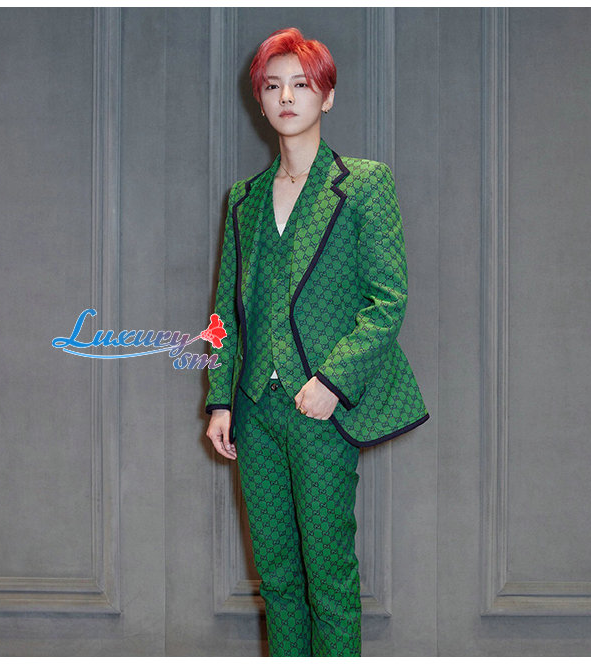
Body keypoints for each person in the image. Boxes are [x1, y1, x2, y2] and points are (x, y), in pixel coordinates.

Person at [205, 27, 429, 657]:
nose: (286, 97)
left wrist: (332, 382)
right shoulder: (244, 200)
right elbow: (224, 313)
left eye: (301, 84)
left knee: (327, 577)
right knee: (277, 579)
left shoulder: (364, 184)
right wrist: (219, 399)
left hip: (319, 409)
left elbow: (388, 300)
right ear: (259, 99)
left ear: (326, 96)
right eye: (273, 86)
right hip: (254, 409)